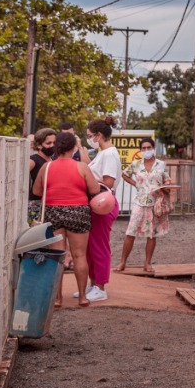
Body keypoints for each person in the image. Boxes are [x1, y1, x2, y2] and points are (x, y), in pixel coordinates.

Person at [32, 131, 99, 307]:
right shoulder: (82, 167)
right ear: (73, 147)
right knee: (79, 255)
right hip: (78, 213)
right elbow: (94, 190)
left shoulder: (47, 167)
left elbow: (37, 192)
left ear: (56, 146)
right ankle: (83, 297)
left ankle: (57, 298)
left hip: (53, 212)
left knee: (57, 257)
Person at [116, 137, 173, 275]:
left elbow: (167, 180)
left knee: (152, 234)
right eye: (144, 148)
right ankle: (122, 261)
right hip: (139, 202)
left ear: (153, 148)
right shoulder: (136, 164)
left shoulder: (161, 164)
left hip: (155, 203)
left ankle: (147, 263)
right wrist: (136, 184)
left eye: (149, 147)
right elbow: (124, 174)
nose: (147, 150)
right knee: (131, 232)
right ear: (140, 150)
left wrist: (166, 186)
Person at [82, 117, 121, 303]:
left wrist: (86, 176)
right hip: (95, 204)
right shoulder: (103, 153)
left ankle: (101, 286)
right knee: (90, 247)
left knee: (99, 246)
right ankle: (93, 283)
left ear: (99, 135)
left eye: (90, 136)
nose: (88, 139)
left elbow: (108, 182)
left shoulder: (109, 154)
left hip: (103, 204)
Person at [27, 127, 56, 225]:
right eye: (49, 143)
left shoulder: (52, 160)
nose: (52, 146)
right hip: (36, 204)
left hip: (49, 204)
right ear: (39, 145)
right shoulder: (33, 160)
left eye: (54, 143)